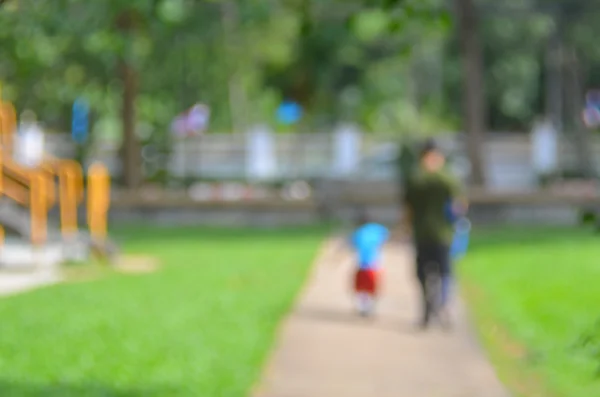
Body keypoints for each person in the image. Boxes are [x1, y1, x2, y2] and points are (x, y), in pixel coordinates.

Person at [402, 138, 466, 329]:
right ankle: (444, 306)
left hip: (421, 233)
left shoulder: (415, 178)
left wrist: (404, 229)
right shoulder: (447, 178)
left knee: (422, 273)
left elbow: (407, 209)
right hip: (442, 234)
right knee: (445, 272)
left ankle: (427, 309)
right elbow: (459, 205)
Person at [349, 210, 389, 317]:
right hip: (375, 264)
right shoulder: (378, 229)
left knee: (362, 287)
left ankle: (364, 307)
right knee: (373, 286)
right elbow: (385, 237)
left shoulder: (359, 232)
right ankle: (370, 306)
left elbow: (353, 245)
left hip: (362, 264)